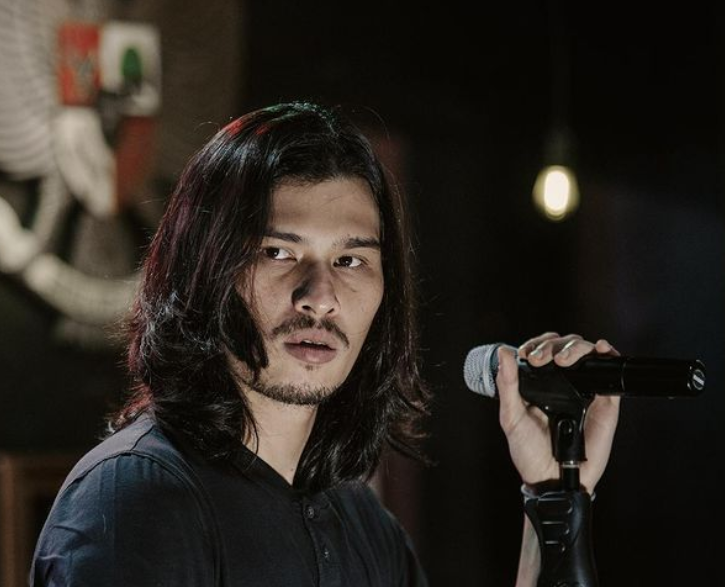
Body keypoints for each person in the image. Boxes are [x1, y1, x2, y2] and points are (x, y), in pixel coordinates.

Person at [30, 101, 620, 586]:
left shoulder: (358, 520)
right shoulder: (137, 500)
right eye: (278, 252)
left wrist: (555, 496)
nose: (320, 296)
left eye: (350, 260)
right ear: (206, 272)